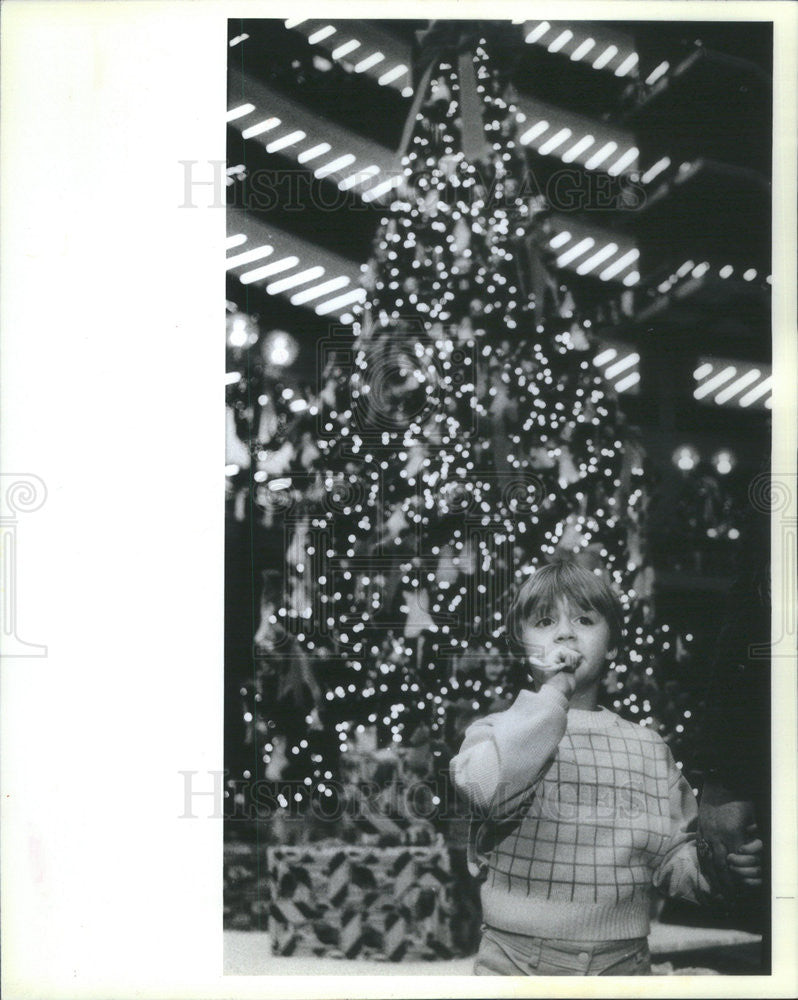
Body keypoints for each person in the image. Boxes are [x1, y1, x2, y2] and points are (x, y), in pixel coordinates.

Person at [450, 560, 763, 976]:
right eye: (545, 621)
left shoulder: (648, 747)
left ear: (612, 644)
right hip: (515, 959)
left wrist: (724, 872)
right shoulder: (496, 731)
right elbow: (488, 788)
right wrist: (553, 694)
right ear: (523, 643)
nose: (565, 632)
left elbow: (672, 853)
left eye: (583, 619)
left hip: (623, 961)